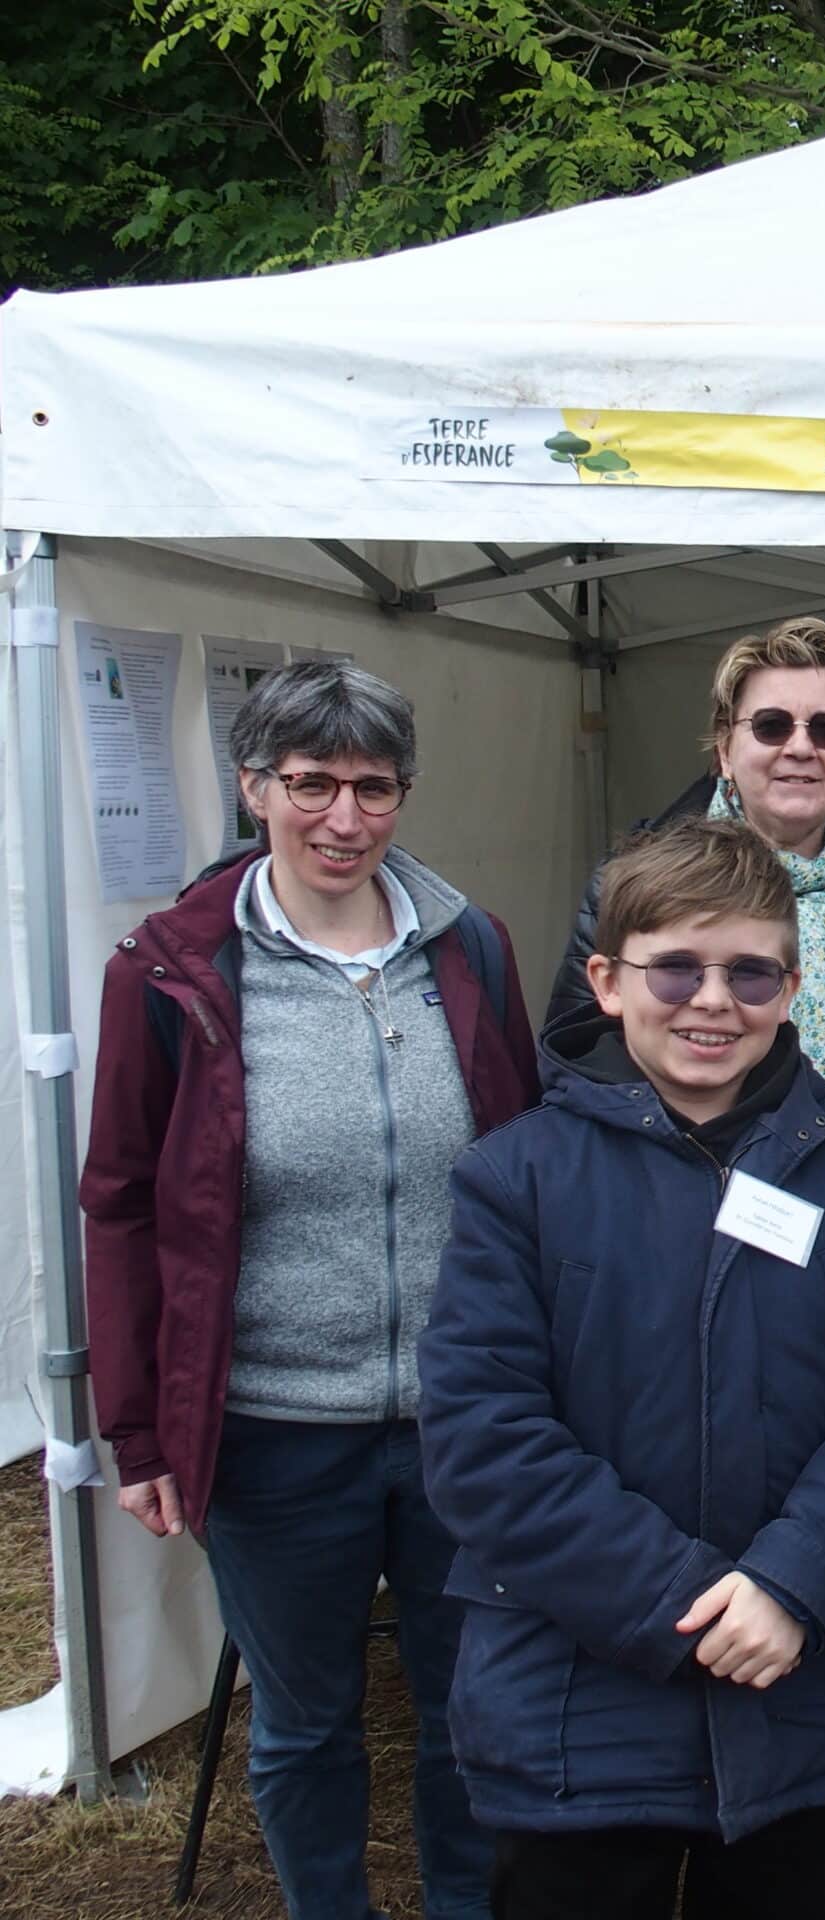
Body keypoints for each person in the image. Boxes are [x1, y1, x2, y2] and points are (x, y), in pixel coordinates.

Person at [419, 818, 825, 1920]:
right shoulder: (514, 1177)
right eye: (675, 967)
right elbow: (484, 1434)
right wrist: (680, 1602)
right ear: (607, 981)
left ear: (793, 983)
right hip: (579, 1699)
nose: (712, 1000)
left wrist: (791, 1584)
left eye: (749, 971)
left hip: (806, 1682)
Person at [80, 659, 541, 1920]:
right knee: (302, 1727)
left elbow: (522, 1170)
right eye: (310, 783)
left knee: (471, 1714)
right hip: (272, 1429)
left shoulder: (472, 950)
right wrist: (138, 1429)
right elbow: (119, 1203)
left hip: (463, 1423)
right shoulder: (172, 969)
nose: (344, 817)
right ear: (253, 788)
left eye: (374, 787)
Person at [547, 615, 825, 1139]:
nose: (800, 748)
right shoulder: (628, 882)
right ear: (725, 751)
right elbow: (580, 1057)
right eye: (771, 725)